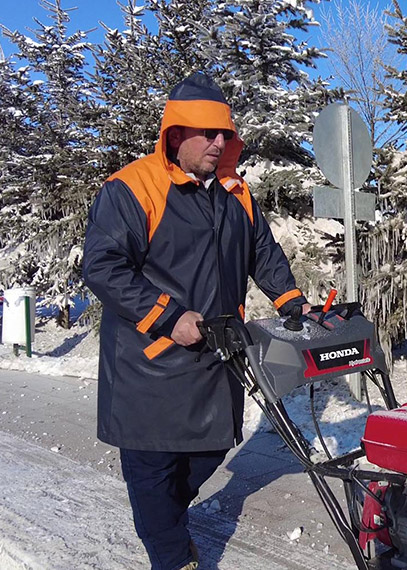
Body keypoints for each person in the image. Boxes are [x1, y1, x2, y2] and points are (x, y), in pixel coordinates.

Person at [83, 72, 308, 570]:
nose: (218, 143)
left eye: (224, 134)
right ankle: (171, 555)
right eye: (207, 133)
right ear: (177, 134)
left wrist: (292, 301)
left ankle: (164, 522)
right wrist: (168, 316)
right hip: (148, 363)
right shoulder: (132, 188)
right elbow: (103, 266)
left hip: (215, 354)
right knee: (152, 470)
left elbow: (262, 253)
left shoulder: (235, 192)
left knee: (207, 454)